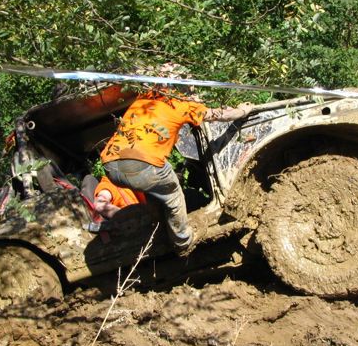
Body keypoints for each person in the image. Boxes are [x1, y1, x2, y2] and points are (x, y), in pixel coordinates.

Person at [100, 87, 251, 252]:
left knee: (154, 193)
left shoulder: (148, 94)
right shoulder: (184, 102)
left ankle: (160, 228)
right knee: (173, 196)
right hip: (142, 162)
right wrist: (243, 110)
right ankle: (182, 241)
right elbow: (219, 116)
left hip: (110, 162)